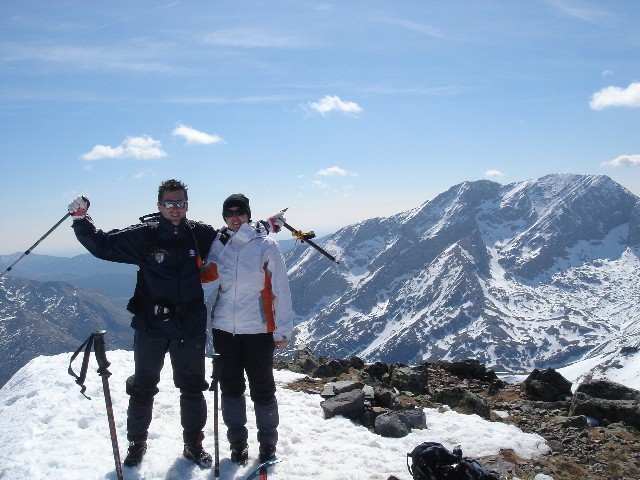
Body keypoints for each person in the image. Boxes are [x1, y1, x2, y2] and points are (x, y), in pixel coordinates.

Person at [68, 181, 283, 469]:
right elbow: (103, 245)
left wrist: (266, 225)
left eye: (180, 203)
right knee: (144, 386)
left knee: (192, 387)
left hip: (188, 325)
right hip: (151, 324)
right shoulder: (145, 234)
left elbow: (234, 236)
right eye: (169, 203)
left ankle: (193, 444)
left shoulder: (199, 233)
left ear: (187, 205)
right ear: (159, 206)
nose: (174, 208)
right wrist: (81, 220)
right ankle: (137, 443)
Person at [204, 193, 293, 465]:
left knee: (262, 389)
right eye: (229, 213)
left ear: (247, 215)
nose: (234, 217)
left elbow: (280, 288)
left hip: (258, 330)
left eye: (239, 212)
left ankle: (267, 444)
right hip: (224, 329)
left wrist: (282, 329)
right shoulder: (220, 244)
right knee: (231, 388)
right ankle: (237, 444)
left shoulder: (266, 246)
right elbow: (206, 275)